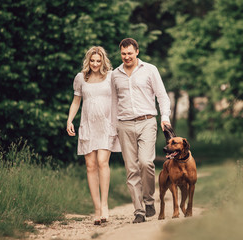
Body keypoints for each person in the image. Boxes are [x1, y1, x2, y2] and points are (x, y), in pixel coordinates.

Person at [111, 38, 171, 223]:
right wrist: (113, 127)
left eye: (130, 53)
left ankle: (149, 200)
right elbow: (113, 103)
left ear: (137, 51)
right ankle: (139, 211)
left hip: (147, 122)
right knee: (131, 169)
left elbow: (162, 96)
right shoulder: (115, 74)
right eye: (123, 54)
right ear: (120, 53)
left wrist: (165, 117)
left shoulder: (150, 70)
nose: (127, 57)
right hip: (124, 124)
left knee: (146, 162)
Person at [66, 46, 121, 225]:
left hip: (106, 125)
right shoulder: (80, 78)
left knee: (102, 162)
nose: (96, 64)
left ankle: (105, 205)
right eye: (92, 61)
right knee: (90, 166)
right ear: (88, 61)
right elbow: (76, 102)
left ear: (103, 61)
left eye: (98, 61)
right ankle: (96, 209)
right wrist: (69, 120)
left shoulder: (111, 76)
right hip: (88, 126)